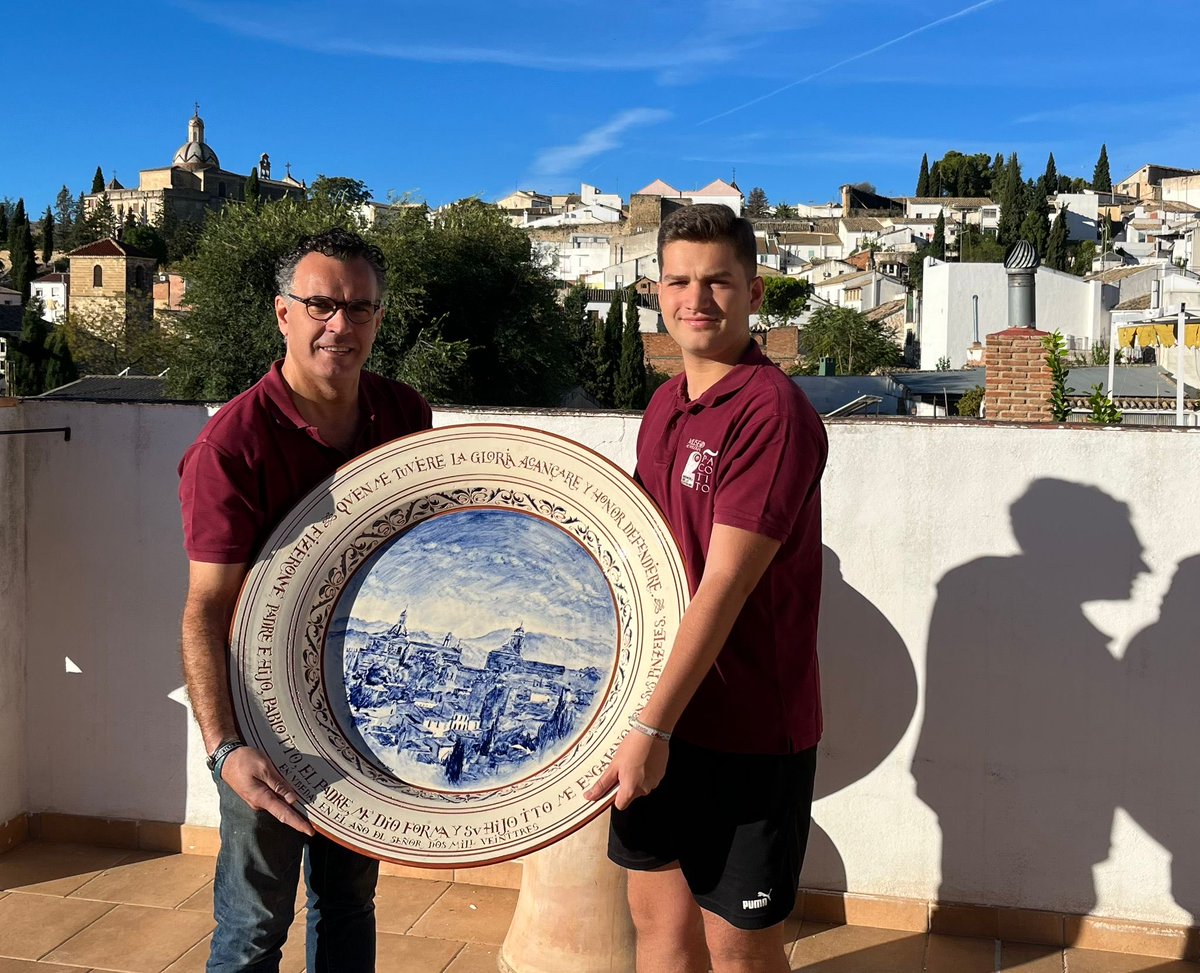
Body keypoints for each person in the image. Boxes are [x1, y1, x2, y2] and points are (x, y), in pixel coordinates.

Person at [178, 227, 432, 972]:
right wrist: (226, 749)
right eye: (320, 305)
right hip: (266, 725)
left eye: (359, 308)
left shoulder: (405, 416)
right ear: (283, 314)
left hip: (363, 725)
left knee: (349, 903)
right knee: (255, 926)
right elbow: (204, 608)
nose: (340, 325)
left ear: (379, 319)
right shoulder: (233, 446)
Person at [586, 203, 828, 973]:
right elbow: (634, 545)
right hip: (660, 712)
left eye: (719, 282)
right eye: (680, 280)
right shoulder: (664, 406)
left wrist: (649, 730)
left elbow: (723, 581)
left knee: (738, 947)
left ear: (754, 294)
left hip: (747, 729)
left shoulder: (773, 411)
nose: (698, 299)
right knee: (657, 924)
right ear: (657, 292)